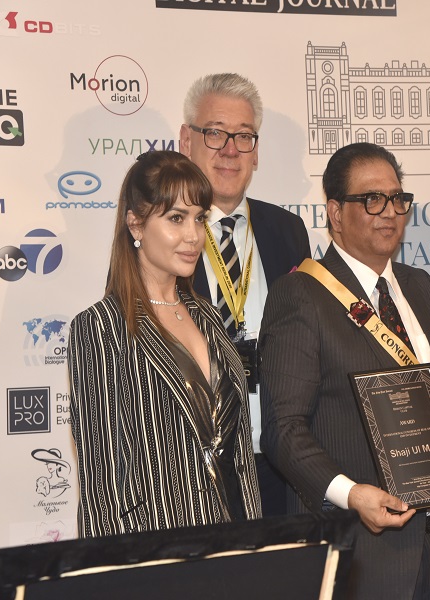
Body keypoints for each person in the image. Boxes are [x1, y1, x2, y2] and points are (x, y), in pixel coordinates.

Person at [260, 143, 430, 598]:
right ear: (335, 213)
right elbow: (283, 429)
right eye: (372, 199)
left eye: (398, 199)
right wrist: (351, 494)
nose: (390, 212)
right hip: (361, 552)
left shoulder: (419, 286)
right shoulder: (300, 294)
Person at [68, 150, 261, 537]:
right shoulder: (101, 327)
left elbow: (236, 449)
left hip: (238, 537)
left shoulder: (207, 316)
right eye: (176, 218)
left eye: (199, 218)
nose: (193, 235)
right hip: (163, 545)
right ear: (136, 225)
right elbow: (105, 484)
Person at [180, 73, 311, 517]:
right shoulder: (160, 237)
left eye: (244, 136)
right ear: (187, 141)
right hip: (194, 467)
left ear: (256, 152)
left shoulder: (287, 231)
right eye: (215, 133)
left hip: (280, 463)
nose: (230, 150)